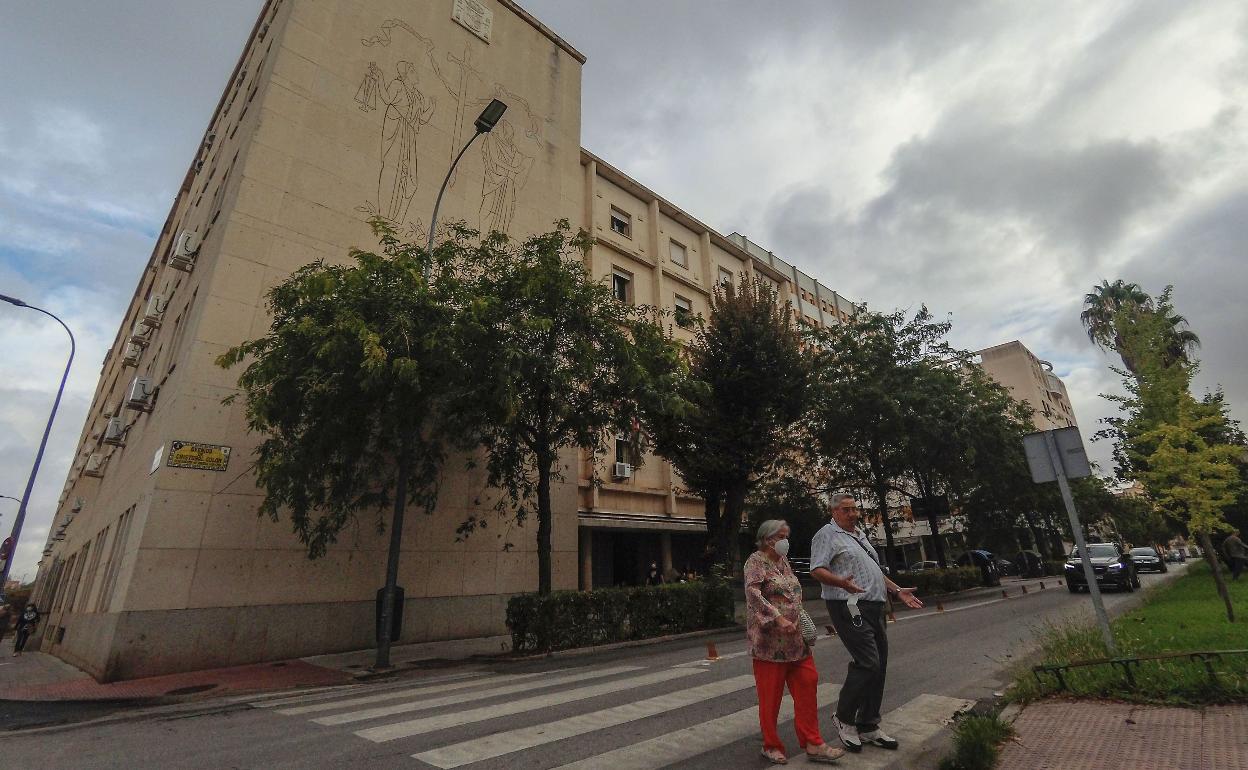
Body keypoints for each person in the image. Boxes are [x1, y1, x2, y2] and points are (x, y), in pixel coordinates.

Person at [810, 494, 923, 754]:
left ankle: (869, 724)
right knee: (868, 661)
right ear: (834, 511)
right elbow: (817, 569)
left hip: (874, 606)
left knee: (879, 664)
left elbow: (874, 570)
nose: (852, 514)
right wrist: (841, 583)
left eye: (854, 509)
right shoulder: (826, 534)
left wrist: (897, 591)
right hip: (848, 604)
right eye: (846, 510)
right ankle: (844, 718)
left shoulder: (859, 534)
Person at [745, 519, 844, 765]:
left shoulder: (783, 562)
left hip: (797, 642)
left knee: (808, 687)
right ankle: (771, 745)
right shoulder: (755, 561)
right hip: (770, 645)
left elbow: (792, 595)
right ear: (767, 539)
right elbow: (753, 594)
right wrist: (777, 618)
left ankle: (813, 742)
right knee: (770, 697)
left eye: (786, 535)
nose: (785, 541)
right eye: (781, 536)